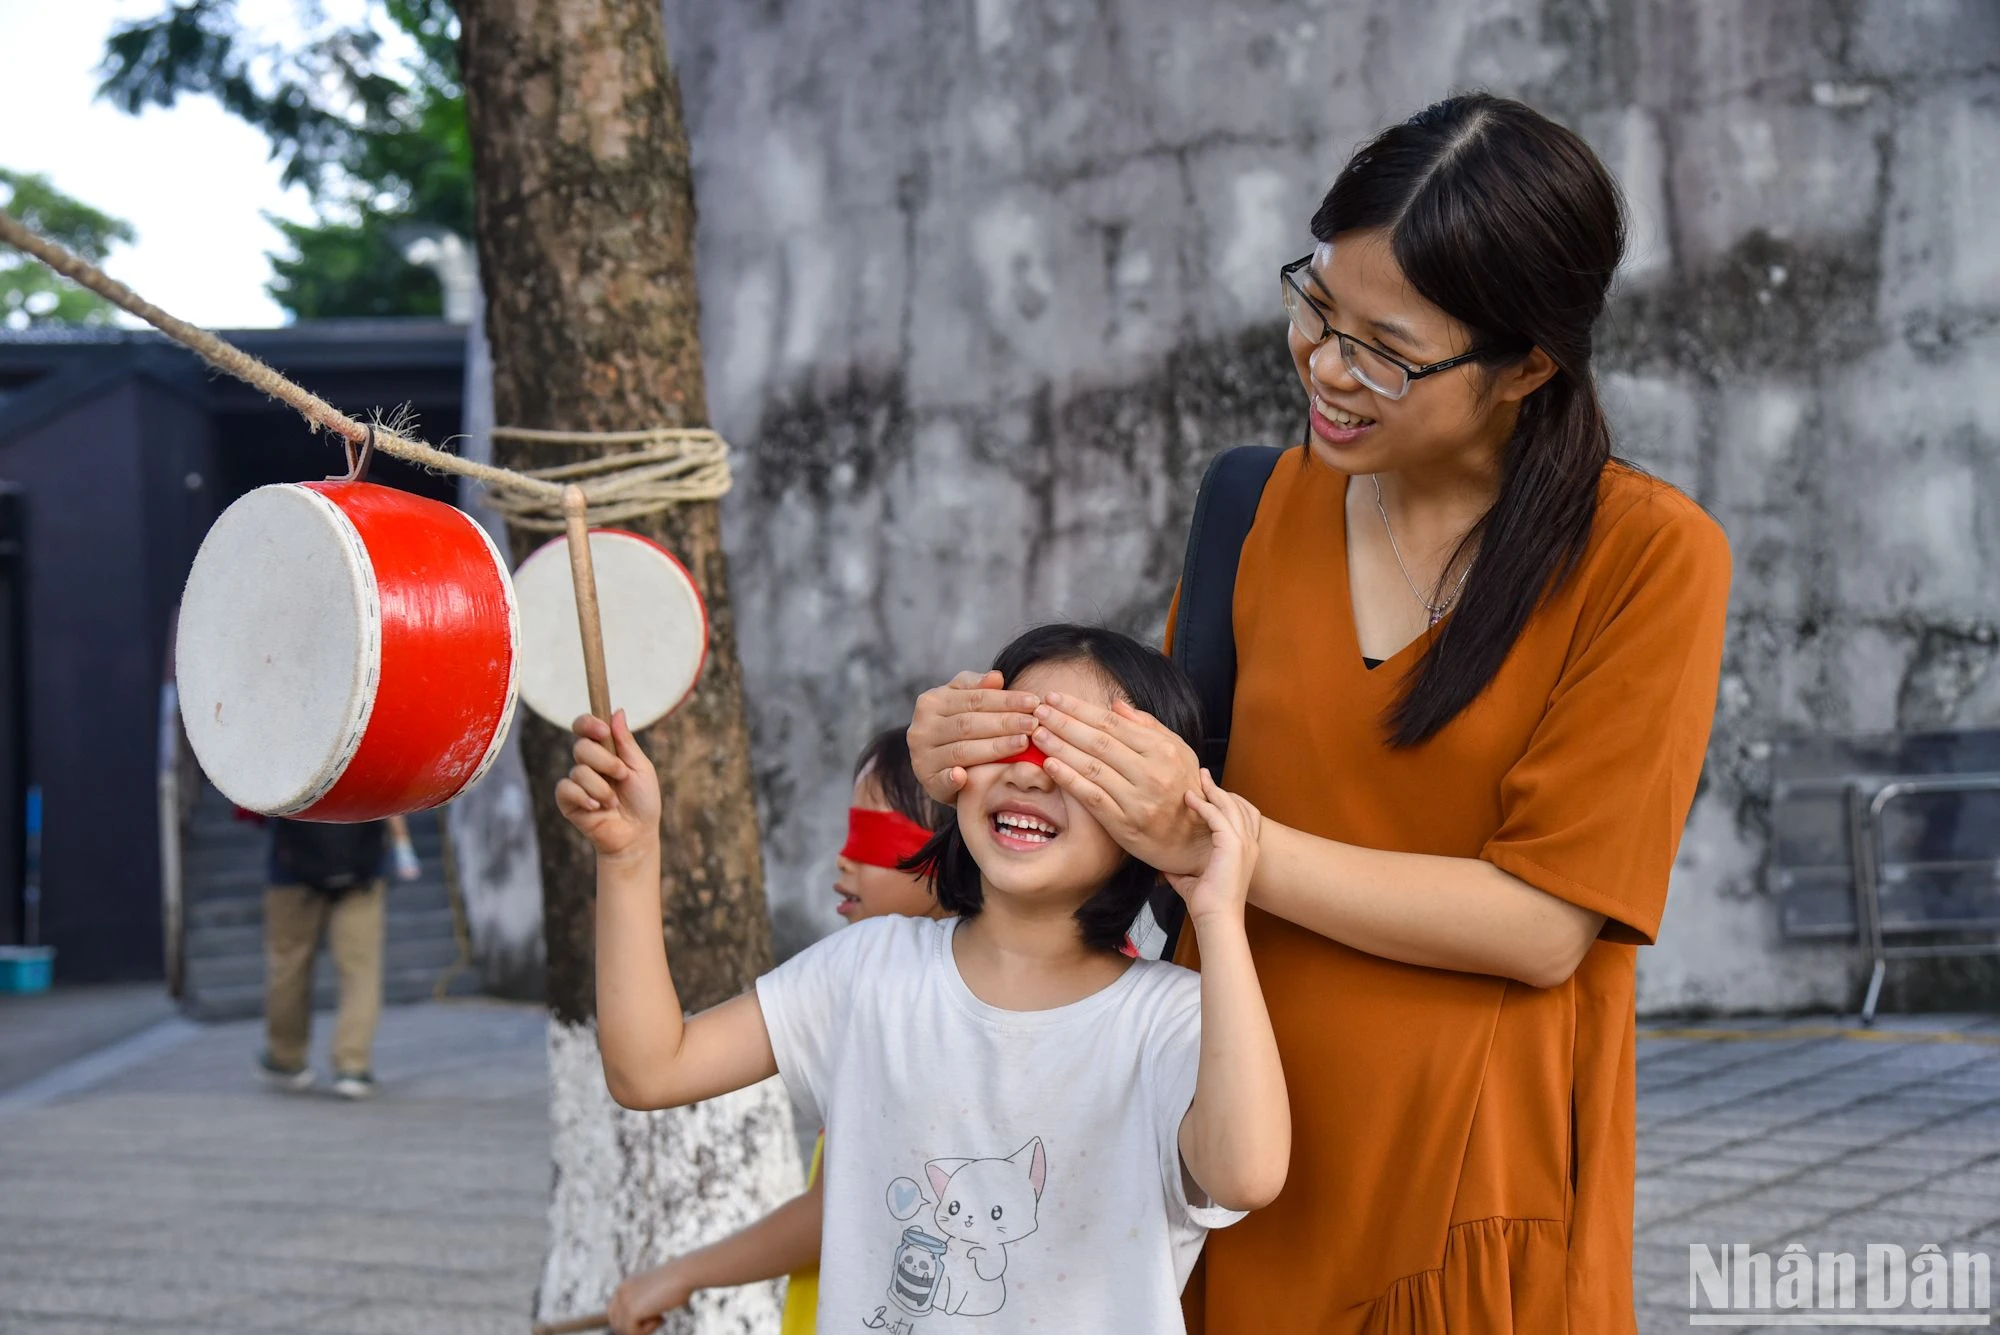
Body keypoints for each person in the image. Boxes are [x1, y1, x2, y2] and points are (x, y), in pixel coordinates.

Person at [908, 95, 1732, 1334]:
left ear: (1528, 364)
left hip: (1466, 1189)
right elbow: (1152, 813)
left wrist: (1233, 850)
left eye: (1386, 350)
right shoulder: (1259, 505)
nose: (1326, 368)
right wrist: (976, 760)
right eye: (1317, 309)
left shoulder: (1645, 557)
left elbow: (1546, 923)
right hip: (1225, 1145)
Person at [562, 624, 1289, 1334]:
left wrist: (1215, 903)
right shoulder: (869, 971)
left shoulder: (1171, 1021)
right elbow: (648, 1068)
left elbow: (1245, 1175)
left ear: (1151, 820)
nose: (1032, 770)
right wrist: (628, 858)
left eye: (1082, 757)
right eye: (1012, 737)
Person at [606, 726, 949, 1335]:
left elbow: (825, 1214)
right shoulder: (866, 987)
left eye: (871, 836)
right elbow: (650, 1067)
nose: (843, 857)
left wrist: (683, 1273)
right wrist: (627, 856)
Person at [255, 812, 421, 1100]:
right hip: (362, 870)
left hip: (291, 868)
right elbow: (389, 795)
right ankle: (352, 1065)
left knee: (289, 965)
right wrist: (402, 842)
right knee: (361, 969)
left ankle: (286, 1058)